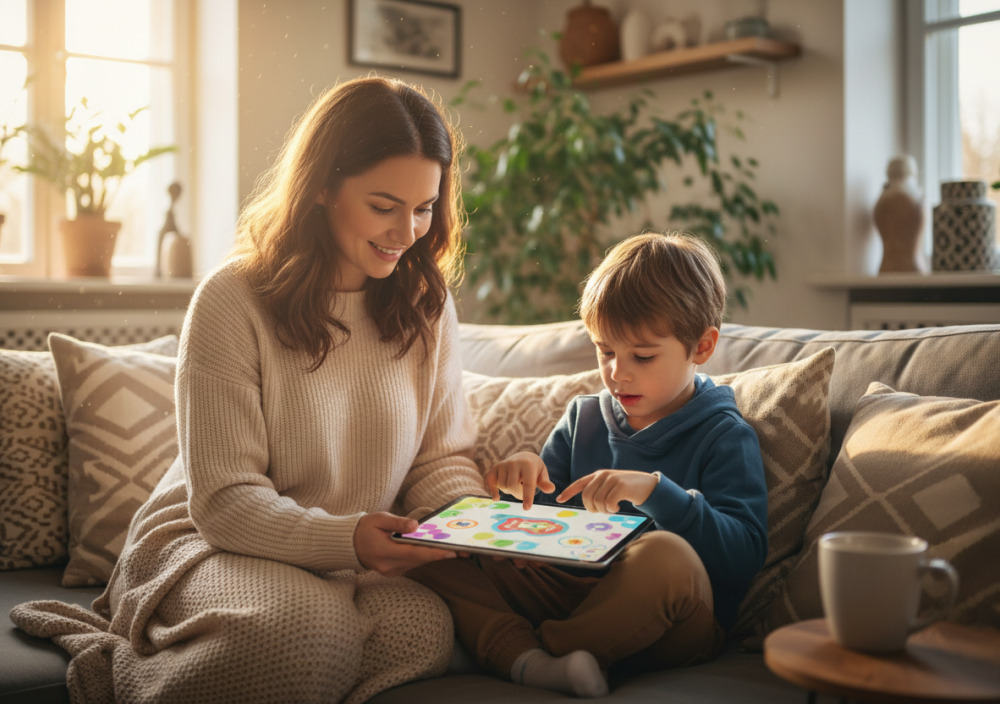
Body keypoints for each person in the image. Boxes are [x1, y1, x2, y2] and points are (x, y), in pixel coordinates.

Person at [11, 77, 488, 704]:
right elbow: (227, 502)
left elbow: (440, 458)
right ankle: (123, 675)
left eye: (424, 207)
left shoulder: (427, 304)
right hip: (208, 542)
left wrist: (467, 523)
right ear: (322, 187)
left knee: (423, 629)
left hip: (341, 556)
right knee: (305, 631)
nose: (407, 231)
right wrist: (346, 539)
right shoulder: (233, 299)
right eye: (383, 205)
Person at [410, 232, 769, 698]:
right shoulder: (585, 417)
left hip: (670, 622)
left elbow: (742, 556)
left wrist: (657, 492)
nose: (618, 372)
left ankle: (522, 653)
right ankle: (532, 659)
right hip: (567, 589)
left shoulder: (724, 434)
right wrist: (521, 475)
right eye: (606, 351)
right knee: (428, 531)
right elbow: (538, 517)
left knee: (666, 555)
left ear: (701, 347)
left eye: (642, 356)